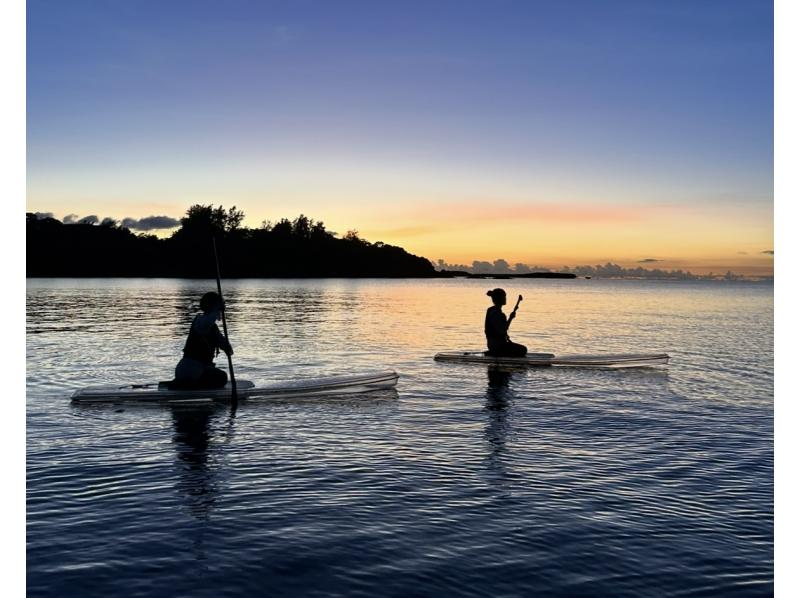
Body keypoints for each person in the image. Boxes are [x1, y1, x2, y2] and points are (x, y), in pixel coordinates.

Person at [171, 291, 233, 389]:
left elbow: (223, 343)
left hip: (195, 371)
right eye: (219, 308)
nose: (220, 312)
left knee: (221, 375)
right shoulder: (201, 321)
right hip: (190, 370)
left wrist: (227, 347)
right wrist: (217, 308)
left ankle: (185, 383)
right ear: (213, 307)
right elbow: (207, 323)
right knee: (222, 377)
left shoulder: (213, 328)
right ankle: (188, 385)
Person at [484, 288, 527, 357]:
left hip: (498, 344)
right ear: (499, 298)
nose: (505, 298)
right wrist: (510, 318)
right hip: (496, 345)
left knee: (522, 349)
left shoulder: (496, 312)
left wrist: (510, 318)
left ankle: (495, 352)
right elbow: (502, 330)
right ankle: (494, 353)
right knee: (523, 350)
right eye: (504, 296)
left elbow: (502, 329)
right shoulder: (495, 313)